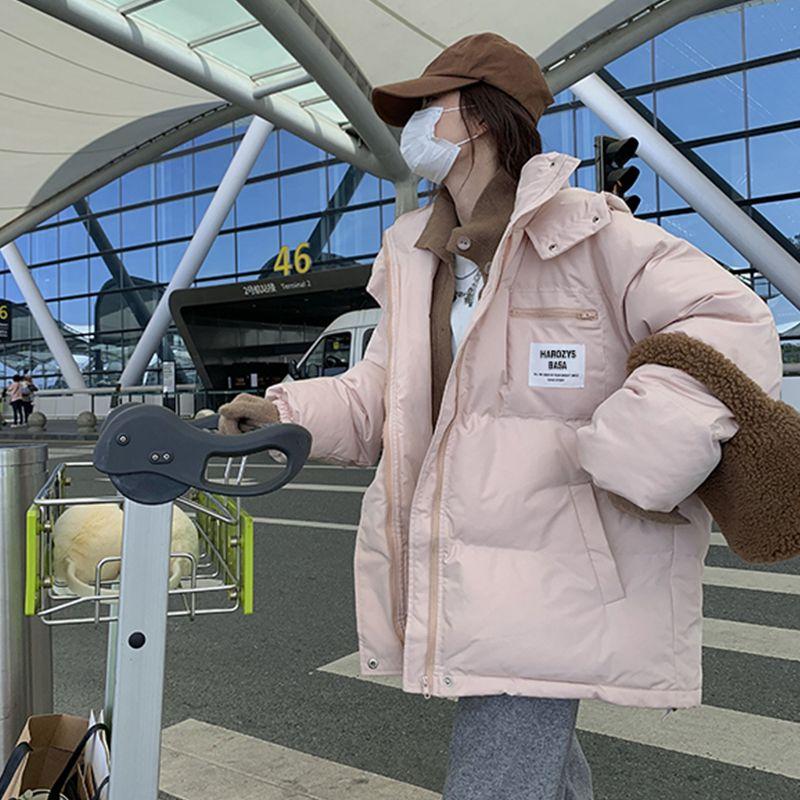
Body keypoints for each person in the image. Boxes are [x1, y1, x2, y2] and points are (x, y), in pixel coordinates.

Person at [218, 32, 782, 800]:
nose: (411, 122)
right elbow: (382, 393)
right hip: (473, 552)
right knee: (536, 762)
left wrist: (637, 449)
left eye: (428, 105)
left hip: (561, 559)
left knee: (495, 775)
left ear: (478, 118)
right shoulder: (420, 258)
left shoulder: (591, 233)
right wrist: (281, 412)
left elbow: (732, 319)